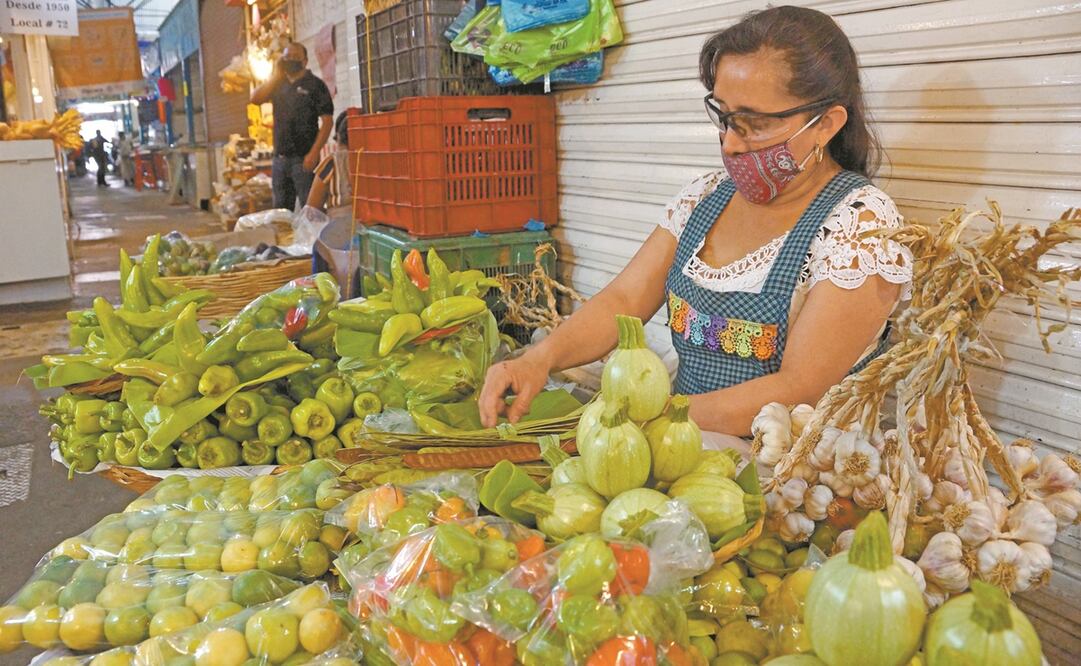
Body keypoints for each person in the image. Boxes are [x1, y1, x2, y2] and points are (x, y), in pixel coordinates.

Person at [478, 6, 913, 449]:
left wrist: (654, 418)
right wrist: (538, 359)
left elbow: (800, 387)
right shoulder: (705, 198)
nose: (730, 142)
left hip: (790, 477)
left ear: (825, 124)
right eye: (723, 115)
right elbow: (625, 299)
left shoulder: (859, 227)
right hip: (681, 451)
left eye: (755, 123)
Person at [250, 43, 334, 211]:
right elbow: (255, 99)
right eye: (288, 57)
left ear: (305, 61)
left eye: (296, 57)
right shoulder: (277, 84)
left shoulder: (315, 85)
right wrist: (275, 75)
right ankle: (286, 238)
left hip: (304, 160)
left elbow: (327, 121)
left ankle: (311, 238)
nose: (291, 61)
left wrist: (314, 152)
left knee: (310, 210)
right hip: (280, 160)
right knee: (280, 212)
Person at [305, 111, 350, 211]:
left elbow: (312, 210)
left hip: (340, 224)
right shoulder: (378, 159)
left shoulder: (331, 163)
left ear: (338, 137)